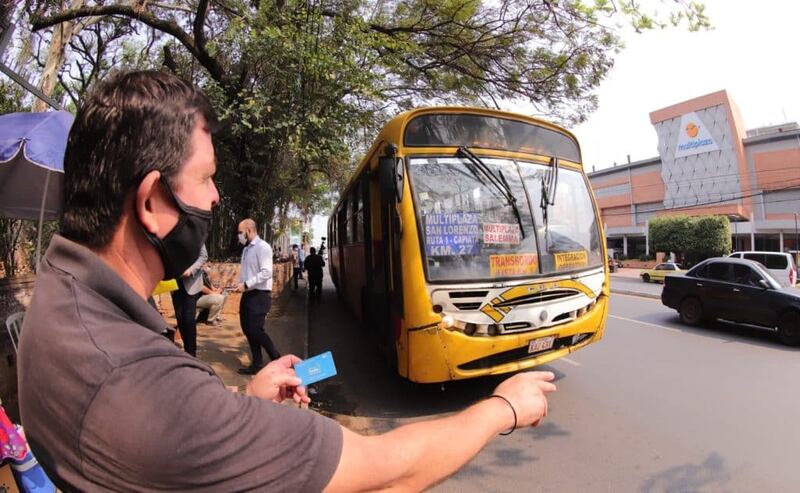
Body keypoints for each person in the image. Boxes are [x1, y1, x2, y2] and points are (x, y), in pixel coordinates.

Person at [18, 70, 557, 492]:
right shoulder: (145, 388)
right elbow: (385, 473)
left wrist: (242, 399)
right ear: (152, 202)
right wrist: (503, 409)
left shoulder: (58, 294)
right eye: (206, 178)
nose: (216, 198)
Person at [235, 218, 281, 374]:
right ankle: (257, 363)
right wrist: (240, 284)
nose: (239, 236)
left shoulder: (263, 247)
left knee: (256, 330)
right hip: (248, 294)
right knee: (247, 329)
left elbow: (267, 272)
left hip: (260, 295)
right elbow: (247, 272)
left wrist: (247, 284)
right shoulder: (246, 249)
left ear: (249, 230)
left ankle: (277, 359)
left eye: (240, 232)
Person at [170, 244, 207, 356]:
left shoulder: (196, 234)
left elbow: (203, 256)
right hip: (175, 283)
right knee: (180, 317)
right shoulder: (169, 236)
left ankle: (191, 354)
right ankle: (187, 349)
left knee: (188, 318)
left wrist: (191, 270)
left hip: (191, 283)